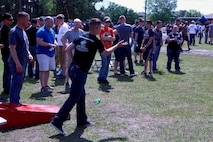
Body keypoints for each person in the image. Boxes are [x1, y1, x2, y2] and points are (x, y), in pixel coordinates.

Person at [50, 18, 126, 136]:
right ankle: (57, 120)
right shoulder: (96, 41)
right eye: (100, 27)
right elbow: (105, 53)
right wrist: (117, 46)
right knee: (74, 97)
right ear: (95, 28)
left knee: (81, 95)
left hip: (73, 69)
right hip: (80, 72)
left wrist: (74, 60)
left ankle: (82, 120)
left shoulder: (80, 36)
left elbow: (67, 49)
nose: (101, 29)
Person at [8, 11, 33, 104]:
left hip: (23, 61)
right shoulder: (14, 32)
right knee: (16, 82)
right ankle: (14, 103)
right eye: (27, 20)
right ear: (21, 20)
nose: (29, 22)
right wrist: (17, 64)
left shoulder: (23, 31)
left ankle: (16, 100)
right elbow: (12, 48)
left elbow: (25, 46)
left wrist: (29, 54)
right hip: (17, 62)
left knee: (19, 82)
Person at [61, 18, 84, 88]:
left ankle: (77, 81)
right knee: (69, 66)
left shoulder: (81, 32)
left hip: (79, 52)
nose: (77, 24)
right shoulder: (69, 32)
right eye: (76, 23)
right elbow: (62, 39)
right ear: (74, 24)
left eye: (79, 23)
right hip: (71, 51)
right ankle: (67, 81)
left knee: (78, 67)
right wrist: (66, 45)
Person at [36, 16, 57, 93]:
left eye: (53, 22)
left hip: (50, 53)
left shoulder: (52, 30)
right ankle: (43, 86)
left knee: (48, 69)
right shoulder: (41, 31)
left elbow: (54, 39)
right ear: (46, 22)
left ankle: (46, 84)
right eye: (51, 22)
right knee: (43, 70)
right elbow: (39, 41)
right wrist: (49, 44)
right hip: (42, 53)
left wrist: (55, 43)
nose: (52, 23)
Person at [97, 16, 115, 84]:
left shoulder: (111, 30)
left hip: (109, 48)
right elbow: (102, 38)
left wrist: (107, 38)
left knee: (107, 64)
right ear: (104, 22)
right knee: (104, 64)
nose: (108, 23)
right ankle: (100, 77)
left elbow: (114, 38)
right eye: (106, 22)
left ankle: (104, 78)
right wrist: (108, 38)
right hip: (103, 49)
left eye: (109, 22)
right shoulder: (101, 30)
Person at [0, 13, 13, 95]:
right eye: (10, 20)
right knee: (8, 71)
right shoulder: (5, 29)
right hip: (7, 53)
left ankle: (7, 87)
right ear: (5, 20)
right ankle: (7, 88)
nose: (12, 21)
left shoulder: (5, 29)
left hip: (6, 53)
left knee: (7, 71)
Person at [56, 14, 70, 78]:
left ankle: (64, 74)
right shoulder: (61, 26)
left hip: (62, 45)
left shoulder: (64, 27)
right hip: (60, 45)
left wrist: (64, 46)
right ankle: (63, 72)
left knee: (63, 61)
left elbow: (65, 37)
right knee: (62, 60)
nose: (57, 21)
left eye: (58, 20)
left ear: (61, 20)